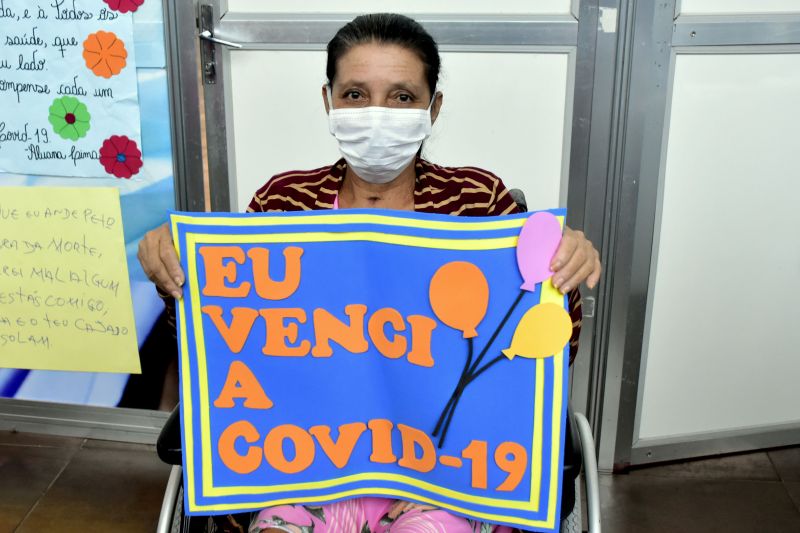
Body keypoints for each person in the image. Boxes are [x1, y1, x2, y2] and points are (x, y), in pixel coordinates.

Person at [138, 13, 601, 533]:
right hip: (307, 464)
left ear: (434, 107)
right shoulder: (283, 205)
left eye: (402, 96)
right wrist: (176, 278)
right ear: (329, 102)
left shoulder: (477, 202)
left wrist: (563, 270)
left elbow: (541, 349)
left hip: (443, 474)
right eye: (356, 94)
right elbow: (227, 340)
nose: (377, 113)